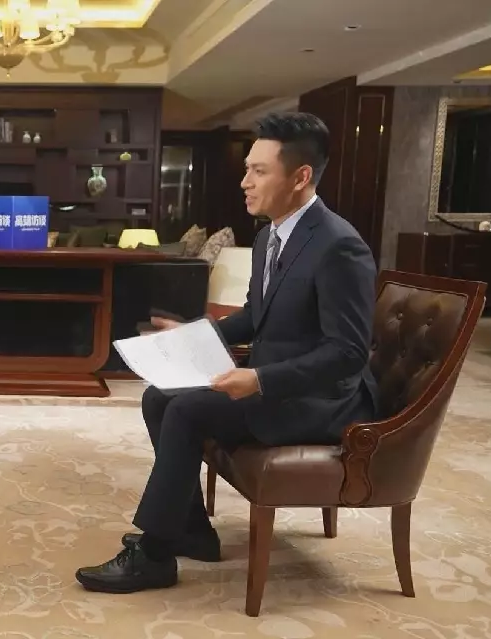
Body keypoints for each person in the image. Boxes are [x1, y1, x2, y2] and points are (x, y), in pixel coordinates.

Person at [75, 112, 379, 594]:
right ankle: (191, 531)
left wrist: (259, 379)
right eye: (247, 169)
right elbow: (256, 315)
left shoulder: (339, 246)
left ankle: (155, 555)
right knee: (159, 396)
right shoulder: (269, 235)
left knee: (188, 409)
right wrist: (195, 334)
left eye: (259, 171)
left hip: (323, 400)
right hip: (277, 383)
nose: (245, 182)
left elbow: (348, 353)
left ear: (300, 176)